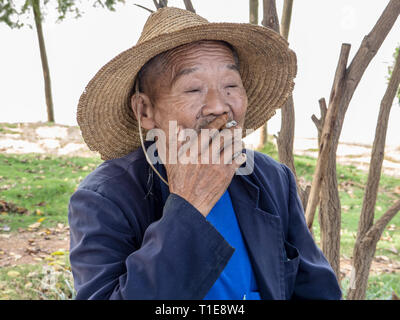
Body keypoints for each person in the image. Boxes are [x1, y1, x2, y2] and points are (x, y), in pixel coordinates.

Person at [68, 7, 342, 300]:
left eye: (231, 86)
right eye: (193, 89)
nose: (218, 106)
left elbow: (316, 291)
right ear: (145, 110)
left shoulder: (272, 178)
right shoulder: (105, 198)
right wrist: (189, 206)